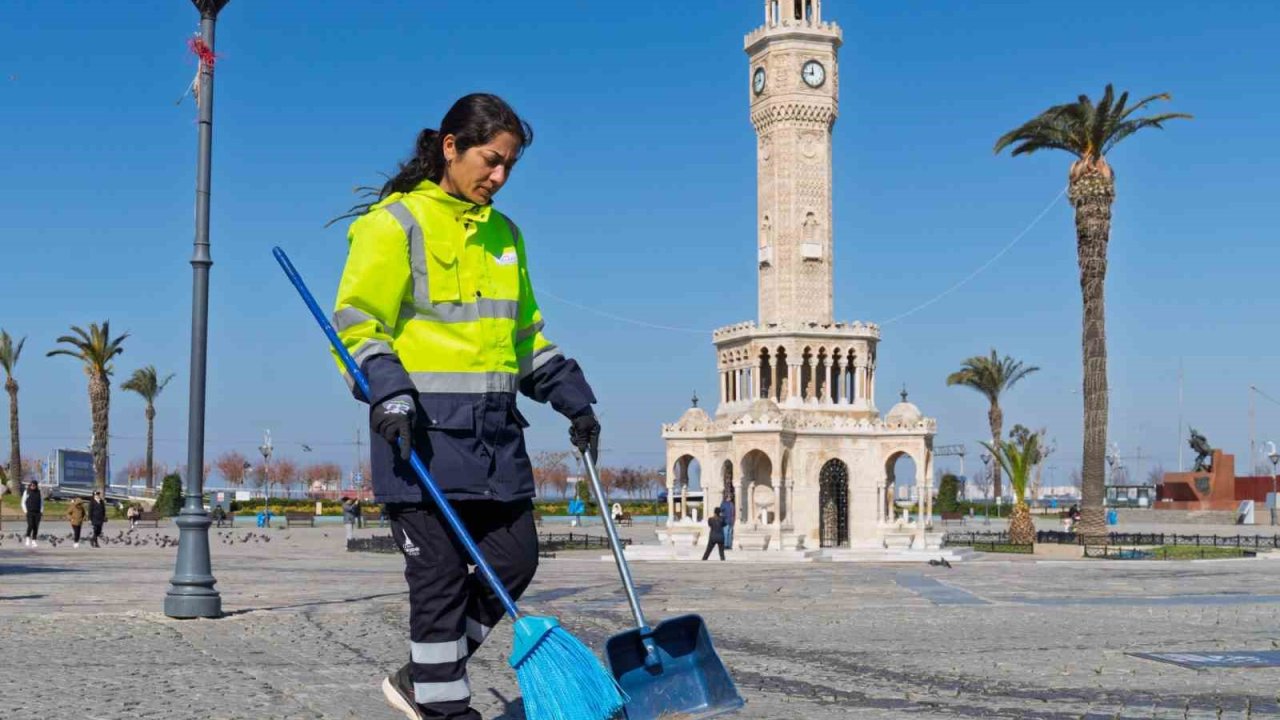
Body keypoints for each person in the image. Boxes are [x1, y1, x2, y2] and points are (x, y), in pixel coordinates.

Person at [331, 94, 600, 720]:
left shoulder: (507, 236)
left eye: (509, 166)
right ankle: (444, 708)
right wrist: (389, 392)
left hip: (495, 440)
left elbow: (524, 335)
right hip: (419, 439)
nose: (499, 177)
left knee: (516, 558)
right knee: (439, 586)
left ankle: (425, 675)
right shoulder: (393, 224)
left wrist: (574, 399)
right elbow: (356, 323)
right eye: (490, 160)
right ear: (450, 147)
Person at [21, 480, 43, 548]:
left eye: (34, 485)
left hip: (37, 512)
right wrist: (25, 511)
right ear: (30, 485)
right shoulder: (27, 492)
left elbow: (42, 503)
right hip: (29, 512)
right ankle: (27, 538)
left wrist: (41, 511)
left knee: (36, 527)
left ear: (36, 486)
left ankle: (34, 540)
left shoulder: (39, 492)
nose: (32, 486)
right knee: (30, 525)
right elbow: (23, 502)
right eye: (31, 485)